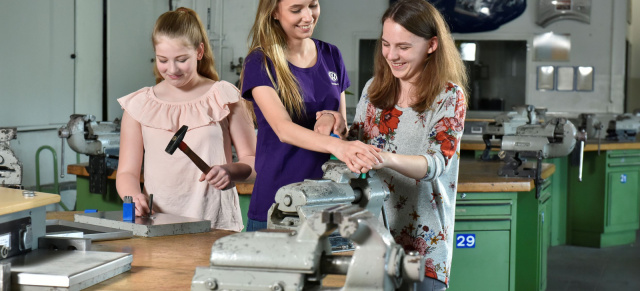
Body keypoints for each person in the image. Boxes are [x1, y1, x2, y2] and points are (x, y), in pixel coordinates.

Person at [326, 0, 468, 289]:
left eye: (403, 47)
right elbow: (354, 149)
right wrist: (334, 129)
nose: (392, 55)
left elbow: (434, 164)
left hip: (424, 246)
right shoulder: (373, 89)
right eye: (386, 44)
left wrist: (384, 158)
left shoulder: (449, 96)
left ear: (431, 45)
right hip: (369, 239)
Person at [240, 0, 383, 231]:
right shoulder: (260, 62)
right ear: (274, 12)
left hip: (329, 201)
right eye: (296, 9)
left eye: (313, 5)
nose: (308, 17)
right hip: (278, 204)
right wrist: (337, 147)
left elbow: (342, 127)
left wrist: (332, 118)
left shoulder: (331, 55)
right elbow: (283, 129)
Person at [116, 7, 256, 232]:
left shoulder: (225, 97)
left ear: (199, 52)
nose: (171, 69)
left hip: (215, 224)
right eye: (163, 60)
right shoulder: (139, 105)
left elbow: (255, 161)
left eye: (181, 60)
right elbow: (126, 173)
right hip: (158, 225)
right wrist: (133, 197)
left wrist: (231, 171)